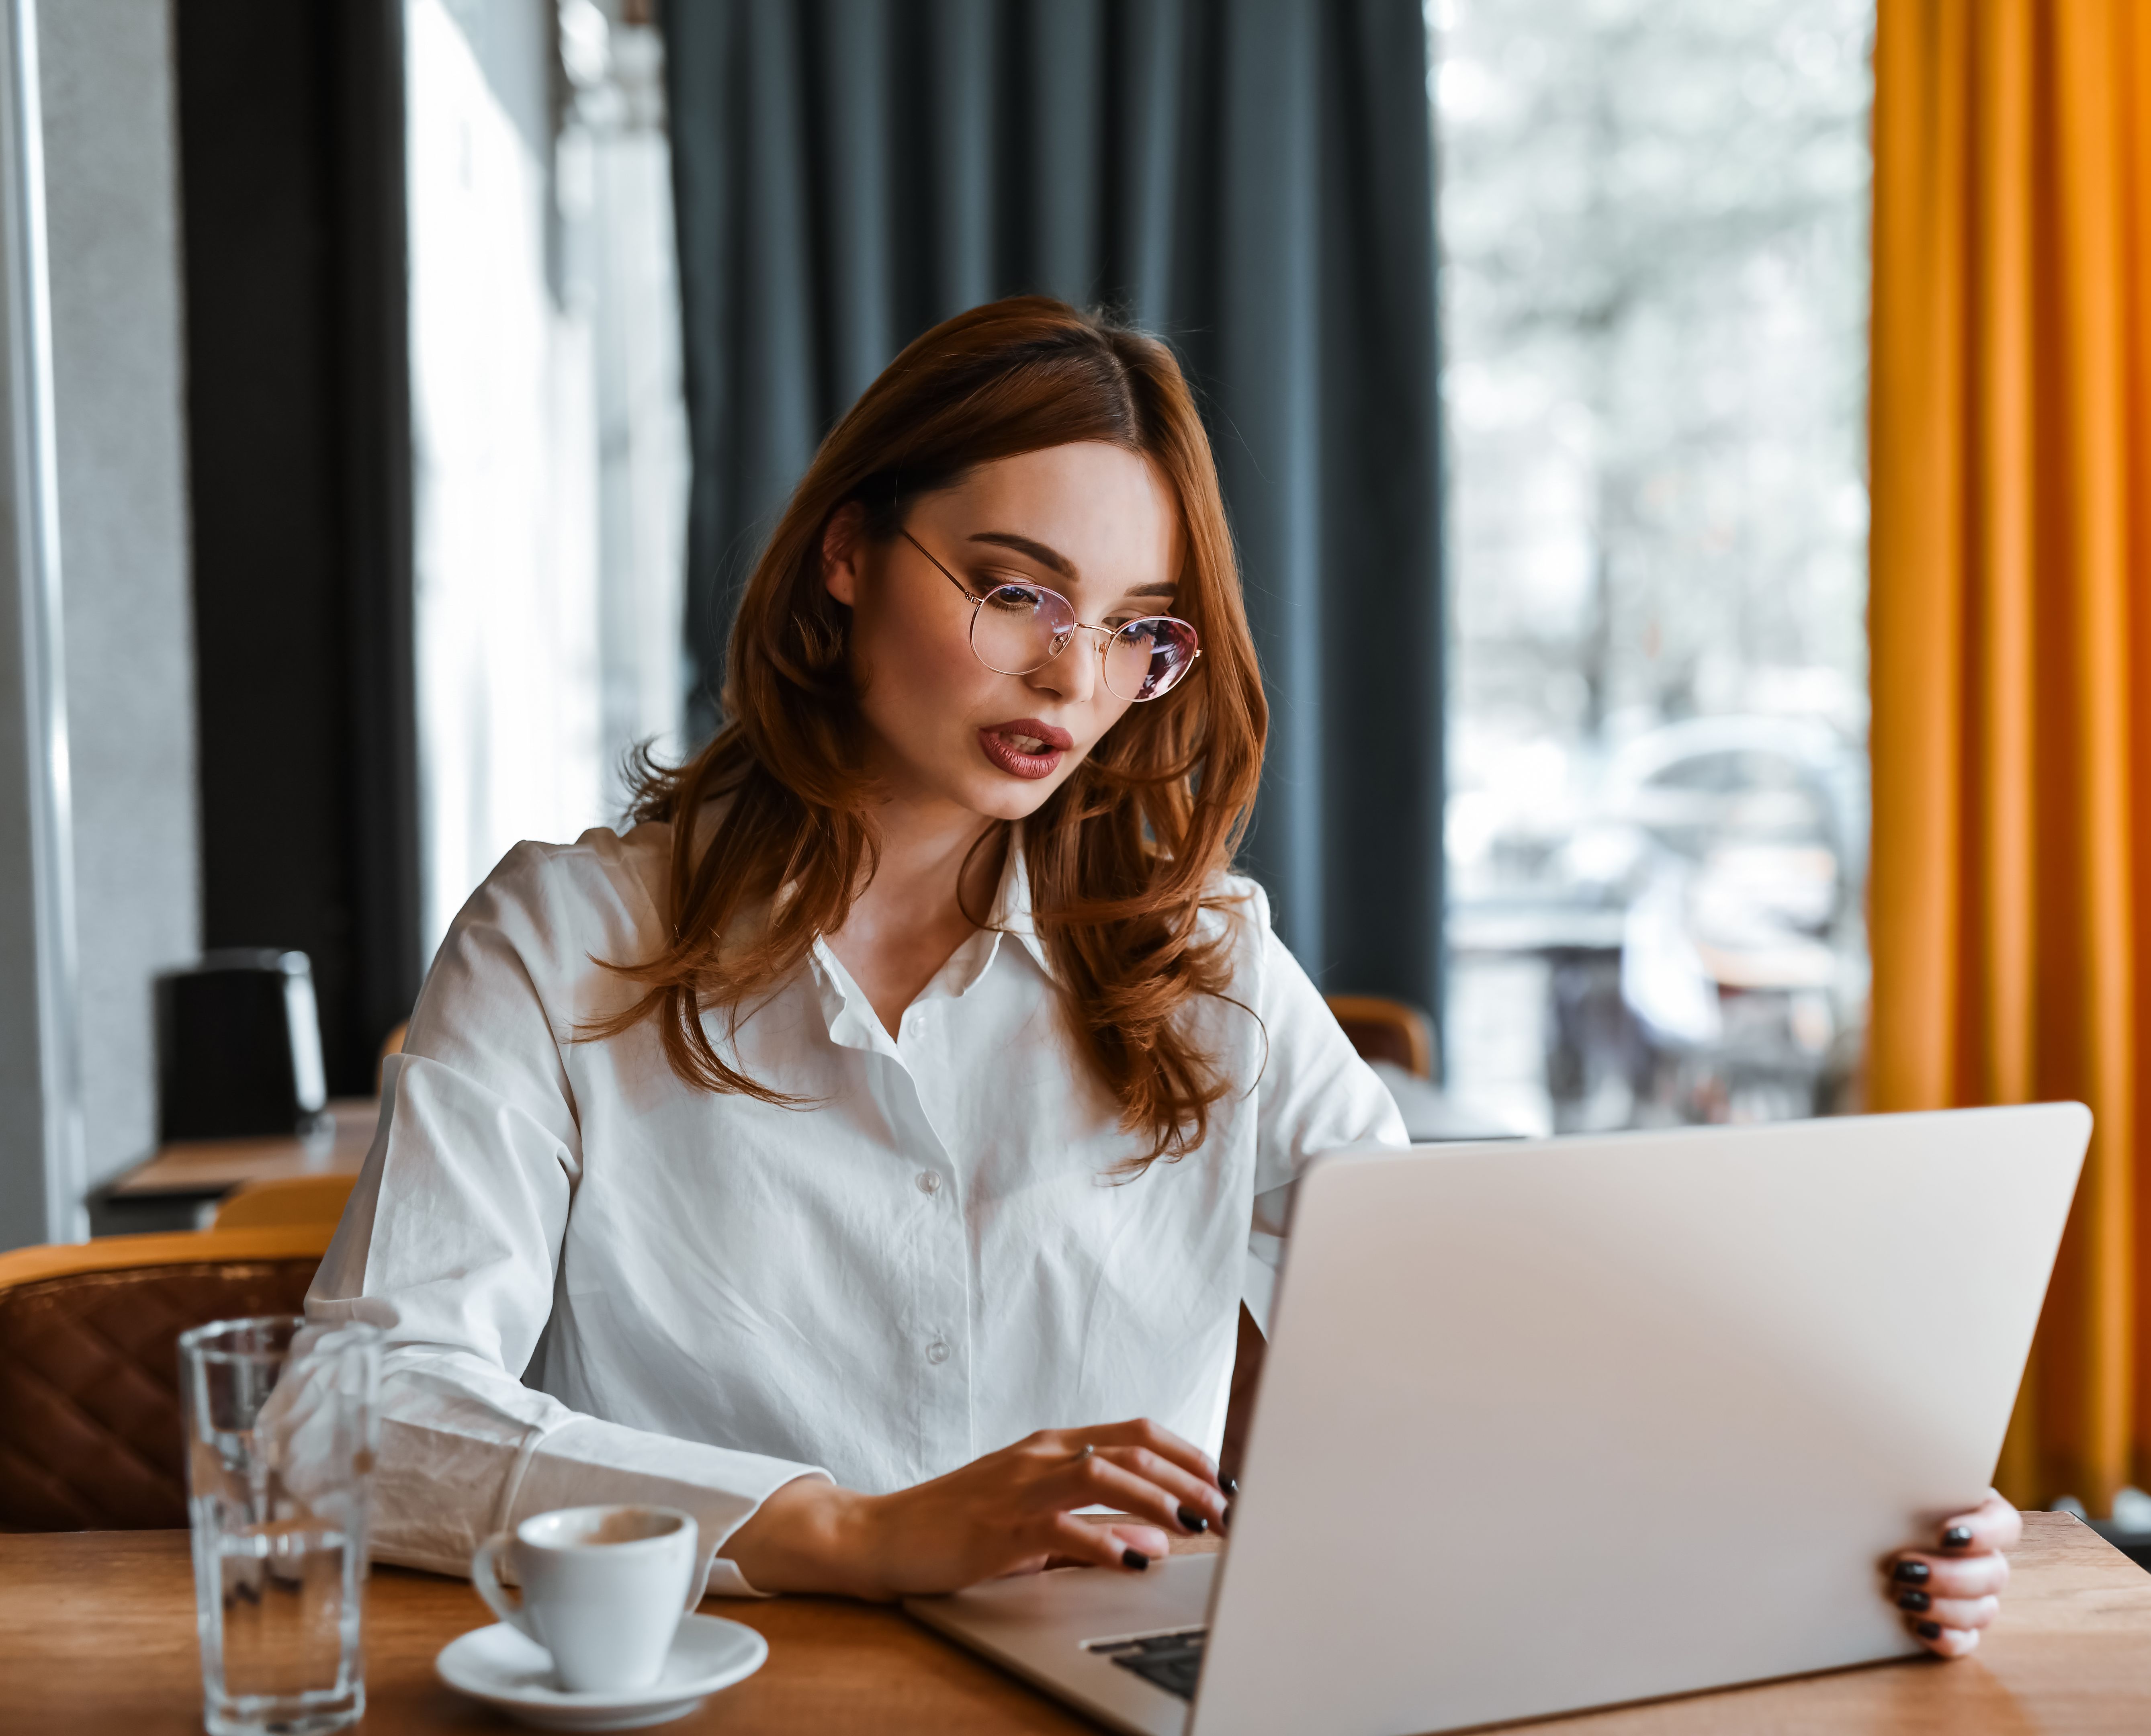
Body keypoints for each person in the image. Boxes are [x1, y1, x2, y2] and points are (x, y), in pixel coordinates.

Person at [306, 295, 2015, 1657]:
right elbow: (353, 1414)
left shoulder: (1203, 967)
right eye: (1012, 590)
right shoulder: (561, 943)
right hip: (737, 1693)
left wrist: (1853, 1498)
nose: (1075, 671)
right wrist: (843, 1528)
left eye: (1138, 625)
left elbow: (1487, 1348)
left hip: (1125, 1695)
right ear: (844, 557)